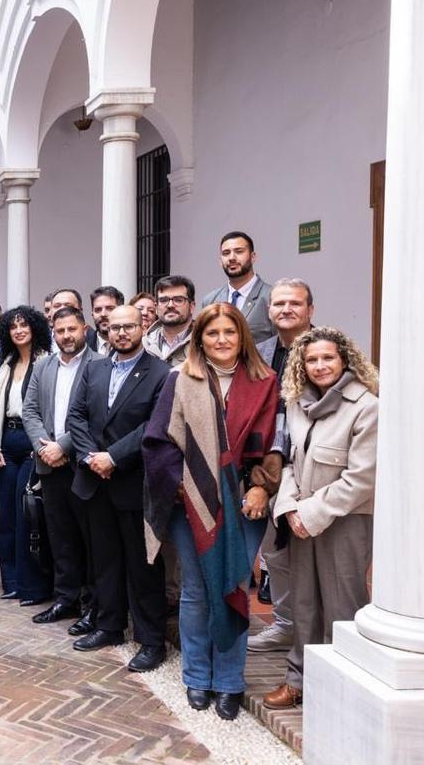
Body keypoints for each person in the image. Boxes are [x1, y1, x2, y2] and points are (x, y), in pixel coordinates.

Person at [142, 303, 278, 721]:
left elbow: (272, 440)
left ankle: (229, 683)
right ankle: (197, 676)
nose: (221, 340)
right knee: (197, 590)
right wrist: (182, 486)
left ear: (242, 337)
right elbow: (158, 440)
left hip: (242, 501)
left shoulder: (264, 381)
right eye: (213, 333)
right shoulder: (180, 380)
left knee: (235, 585)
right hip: (190, 501)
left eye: (229, 332)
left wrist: (260, 486)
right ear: (199, 338)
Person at [263, 327, 378, 710]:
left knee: (343, 604)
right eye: (312, 359)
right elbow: (293, 460)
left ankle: (341, 687)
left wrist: (311, 513)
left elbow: (362, 477)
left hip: (345, 520)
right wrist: (291, 508)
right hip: (302, 519)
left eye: (328, 358)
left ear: (344, 359)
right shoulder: (297, 403)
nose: (320, 365)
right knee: (305, 604)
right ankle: (299, 679)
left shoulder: (366, 407)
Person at [67, 305, 170, 673]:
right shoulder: (94, 368)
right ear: (106, 331)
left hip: (133, 482)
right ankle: (110, 627)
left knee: (143, 567)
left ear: (143, 326)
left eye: (129, 326)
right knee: (105, 561)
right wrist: (91, 457)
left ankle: (151, 640)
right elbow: (75, 416)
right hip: (94, 481)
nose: (121, 333)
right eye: (114, 327)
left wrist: (113, 457)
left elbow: (153, 426)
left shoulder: (161, 373)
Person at [21, 306, 103, 631]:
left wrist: (63, 446)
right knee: (61, 536)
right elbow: (29, 411)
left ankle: (92, 605)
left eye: (72, 329)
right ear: (53, 333)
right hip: (49, 466)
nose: (67, 335)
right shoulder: (43, 366)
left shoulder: (100, 365)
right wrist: (45, 447)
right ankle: (65, 599)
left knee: (90, 539)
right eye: (60, 330)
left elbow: (96, 417)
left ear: (84, 329)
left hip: (83, 467)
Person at [248, 277, 316, 655]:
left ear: (310, 310)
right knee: (275, 554)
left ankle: (317, 635)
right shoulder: (260, 352)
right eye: (278, 304)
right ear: (269, 311)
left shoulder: (324, 349)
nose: (286, 309)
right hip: (269, 468)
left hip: (311, 470)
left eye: (295, 303)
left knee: (311, 558)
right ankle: (287, 626)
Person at [0, 306, 52, 605]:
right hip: (6, 444)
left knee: (28, 517)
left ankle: (32, 586)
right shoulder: (5, 365)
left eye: (24, 324)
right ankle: (10, 582)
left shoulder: (46, 362)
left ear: (35, 327)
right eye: (13, 327)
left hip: (32, 445)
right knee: (6, 519)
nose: (19, 330)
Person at [200, 232, 274, 343]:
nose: (231, 258)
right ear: (220, 261)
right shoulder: (210, 301)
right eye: (226, 253)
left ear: (253, 257)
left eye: (239, 251)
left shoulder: (271, 296)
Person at [144, 275, 196, 367]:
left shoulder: (203, 342)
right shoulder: (143, 344)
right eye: (164, 300)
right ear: (156, 307)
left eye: (178, 300)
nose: (170, 305)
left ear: (191, 307)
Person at [88, 286, 124, 355]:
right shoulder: (83, 345)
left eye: (110, 308)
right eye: (98, 310)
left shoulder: (132, 344)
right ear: (92, 313)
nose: (103, 314)